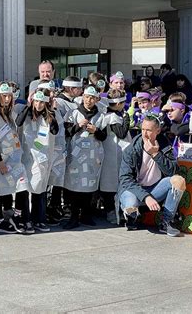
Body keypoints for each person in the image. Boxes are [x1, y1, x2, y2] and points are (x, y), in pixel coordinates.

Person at [118, 114, 186, 236]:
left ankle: (166, 222)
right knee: (131, 205)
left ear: (158, 131)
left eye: (149, 130)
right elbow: (125, 179)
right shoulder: (131, 149)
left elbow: (174, 171)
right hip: (132, 190)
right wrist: (146, 197)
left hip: (154, 189)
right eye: (142, 129)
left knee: (178, 180)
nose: (144, 134)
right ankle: (131, 216)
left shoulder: (164, 145)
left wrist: (156, 155)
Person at [0, 82, 28, 234]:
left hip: (14, 160)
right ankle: (0, 220)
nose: (7, 99)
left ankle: (17, 216)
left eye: (9, 95)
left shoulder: (10, 114)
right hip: (0, 160)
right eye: (4, 96)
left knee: (23, 187)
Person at [63, 85, 107, 229]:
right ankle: (73, 217)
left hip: (92, 157)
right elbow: (66, 132)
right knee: (74, 186)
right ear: (83, 97)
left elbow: (104, 136)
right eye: (87, 97)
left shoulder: (101, 116)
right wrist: (77, 126)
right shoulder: (73, 113)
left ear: (96, 99)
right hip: (76, 156)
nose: (89, 100)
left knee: (89, 186)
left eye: (92, 98)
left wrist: (96, 130)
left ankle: (86, 216)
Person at [16, 88, 58, 232]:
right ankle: (24, 219)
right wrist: (28, 105)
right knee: (24, 189)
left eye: (42, 102)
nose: (39, 105)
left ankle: (38, 219)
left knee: (38, 189)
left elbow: (54, 131)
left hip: (41, 158)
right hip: (25, 156)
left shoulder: (48, 116)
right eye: (37, 101)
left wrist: (52, 111)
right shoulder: (26, 112)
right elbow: (18, 122)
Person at [47, 76, 83, 224]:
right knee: (54, 181)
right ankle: (52, 209)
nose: (81, 91)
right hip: (58, 147)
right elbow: (61, 127)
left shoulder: (73, 102)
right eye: (78, 88)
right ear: (69, 88)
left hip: (68, 147)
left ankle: (61, 207)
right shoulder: (60, 103)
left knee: (63, 180)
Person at [99, 89, 131, 224]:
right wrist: (127, 119)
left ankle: (117, 210)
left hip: (115, 154)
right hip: (111, 155)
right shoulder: (111, 117)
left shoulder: (111, 114)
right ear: (118, 104)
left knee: (114, 183)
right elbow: (121, 133)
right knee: (110, 184)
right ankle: (110, 211)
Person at [161, 92, 190, 157]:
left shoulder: (189, 117)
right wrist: (162, 112)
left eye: (172, 110)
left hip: (188, 156)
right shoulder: (169, 121)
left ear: (182, 111)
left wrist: (169, 127)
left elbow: (178, 130)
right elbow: (160, 127)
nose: (169, 113)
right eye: (167, 111)